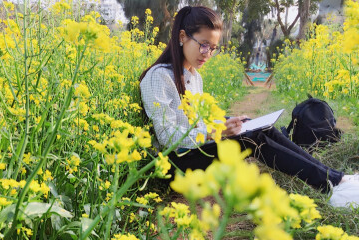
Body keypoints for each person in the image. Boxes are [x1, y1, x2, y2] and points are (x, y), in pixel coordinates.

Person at [139, 6, 359, 207]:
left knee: (256, 127)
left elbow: (195, 121)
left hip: (193, 152)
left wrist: (226, 122)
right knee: (251, 139)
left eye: (213, 48)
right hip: (175, 165)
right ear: (182, 37)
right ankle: (329, 184)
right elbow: (167, 136)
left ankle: (333, 177)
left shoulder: (193, 76)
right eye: (203, 45)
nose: (207, 54)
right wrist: (216, 132)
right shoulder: (159, 77)